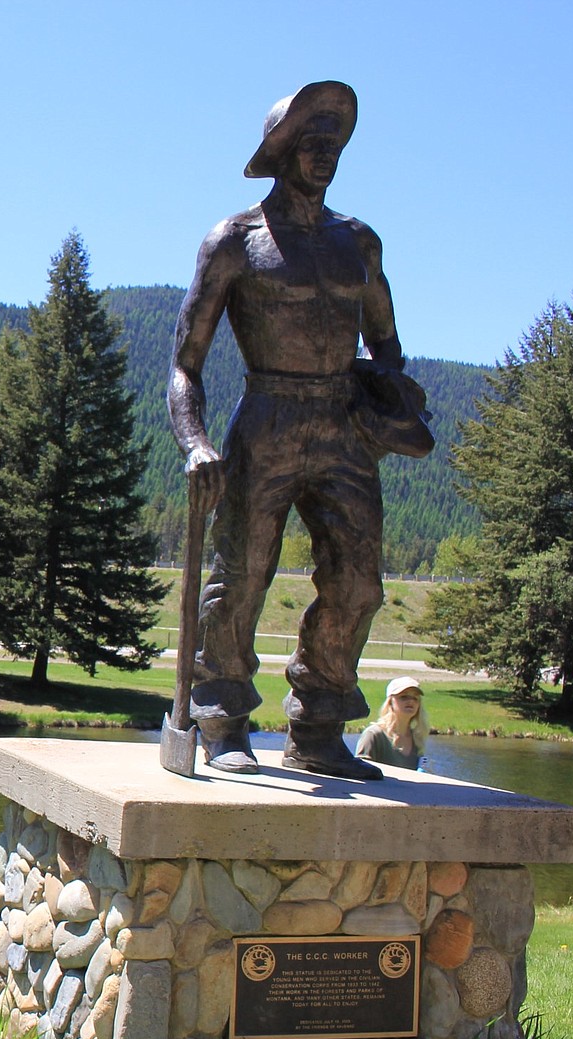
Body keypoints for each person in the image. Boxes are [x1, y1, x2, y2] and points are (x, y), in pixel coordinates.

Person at [167, 81, 432, 781]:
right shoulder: (236, 241)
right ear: (281, 153)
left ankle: (317, 728)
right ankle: (222, 719)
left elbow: (387, 344)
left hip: (343, 424)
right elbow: (184, 365)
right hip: (268, 417)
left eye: (334, 145)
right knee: (243, 575)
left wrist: (385, 404)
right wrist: (195, 443)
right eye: (311, 144)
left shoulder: (358, 243)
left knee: (359, 582)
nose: (325, 157)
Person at [356, 676, 428, 772]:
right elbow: (361, 773)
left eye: (415, 698)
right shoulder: (374, 735)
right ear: (390, 702)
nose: (410, 701)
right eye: (403, 697)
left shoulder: (417, 740)